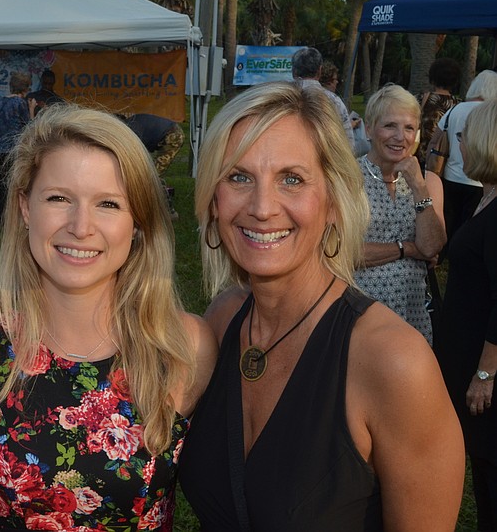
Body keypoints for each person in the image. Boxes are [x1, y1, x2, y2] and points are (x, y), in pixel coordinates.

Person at [180, 81, 463, 530]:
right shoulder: (222, 320)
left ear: (333, 200)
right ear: (214, 200)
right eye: (238, 176)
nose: (262, 207)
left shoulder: (394, 362)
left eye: (291, 179)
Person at [0, 104, 215, 530]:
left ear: (137, 222)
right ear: (25, 207)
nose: (81, 226)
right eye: (59, 198)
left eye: (108, 204)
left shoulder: (183, 345)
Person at [435, 100, 497, 531]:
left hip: (485, 376)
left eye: (463, 137)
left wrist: (485, 374)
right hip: (468, 362)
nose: (457, 144)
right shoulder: (484, 196)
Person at [354, 84, 445, 345]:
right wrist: (408, 248)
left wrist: (418, 187)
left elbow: (432, 247)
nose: (400, 137)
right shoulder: (348, 179)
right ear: (369, 129)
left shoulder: (429, 181)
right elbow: (343, 253)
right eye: (390, 125)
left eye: (409, 128)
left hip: (413, 310)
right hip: (360, 311)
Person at [433, 69, 497, 247]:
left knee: (451, 223)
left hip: (452, 176)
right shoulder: (490, 115)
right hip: (478, 185)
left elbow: (435, 140)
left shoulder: (456, 109)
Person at [0, 70, 36, 224]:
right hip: (14, 152)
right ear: (25, 88)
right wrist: (31, 110)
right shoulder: (20, 104)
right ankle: (12, 217)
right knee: (14, 187)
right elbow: (29, 129)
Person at [291, 47, 356, 154]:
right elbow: (349, 143)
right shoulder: (334, 101)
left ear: (293, 72)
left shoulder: (280, 98)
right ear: (320, 71)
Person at [415, 57, 462, 163]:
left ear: (433, 78)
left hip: (422, 158)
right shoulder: (459, 105)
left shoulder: (421, 99)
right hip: (447, 161)